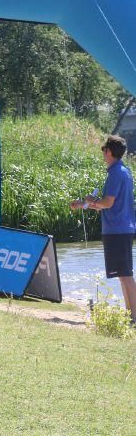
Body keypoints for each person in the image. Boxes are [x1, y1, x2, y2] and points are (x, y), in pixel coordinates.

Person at [70, 135, 135, 321]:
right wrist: (84, 204)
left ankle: (134, 318)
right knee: (123, 275)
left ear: (109, 151)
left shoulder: (116, 172)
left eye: (104, 150)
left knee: (126, 275)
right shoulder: (123, 170)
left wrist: (92, 201)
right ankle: (129, 315)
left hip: (118, 229)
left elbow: (106, 203)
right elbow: (106, 204)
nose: (103, 153)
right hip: (120, 228)